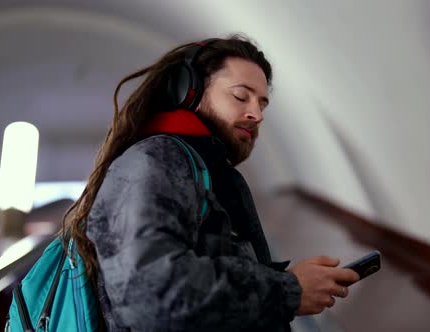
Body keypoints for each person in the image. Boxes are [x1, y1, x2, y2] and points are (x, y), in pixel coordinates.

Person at [60, 34, 360, 332]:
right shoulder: (154, 162)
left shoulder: (200, 168)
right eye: (241, 96)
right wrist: (289, 290)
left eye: (262, 104)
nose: (256, 115)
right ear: (188, 92)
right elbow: (152, 295)